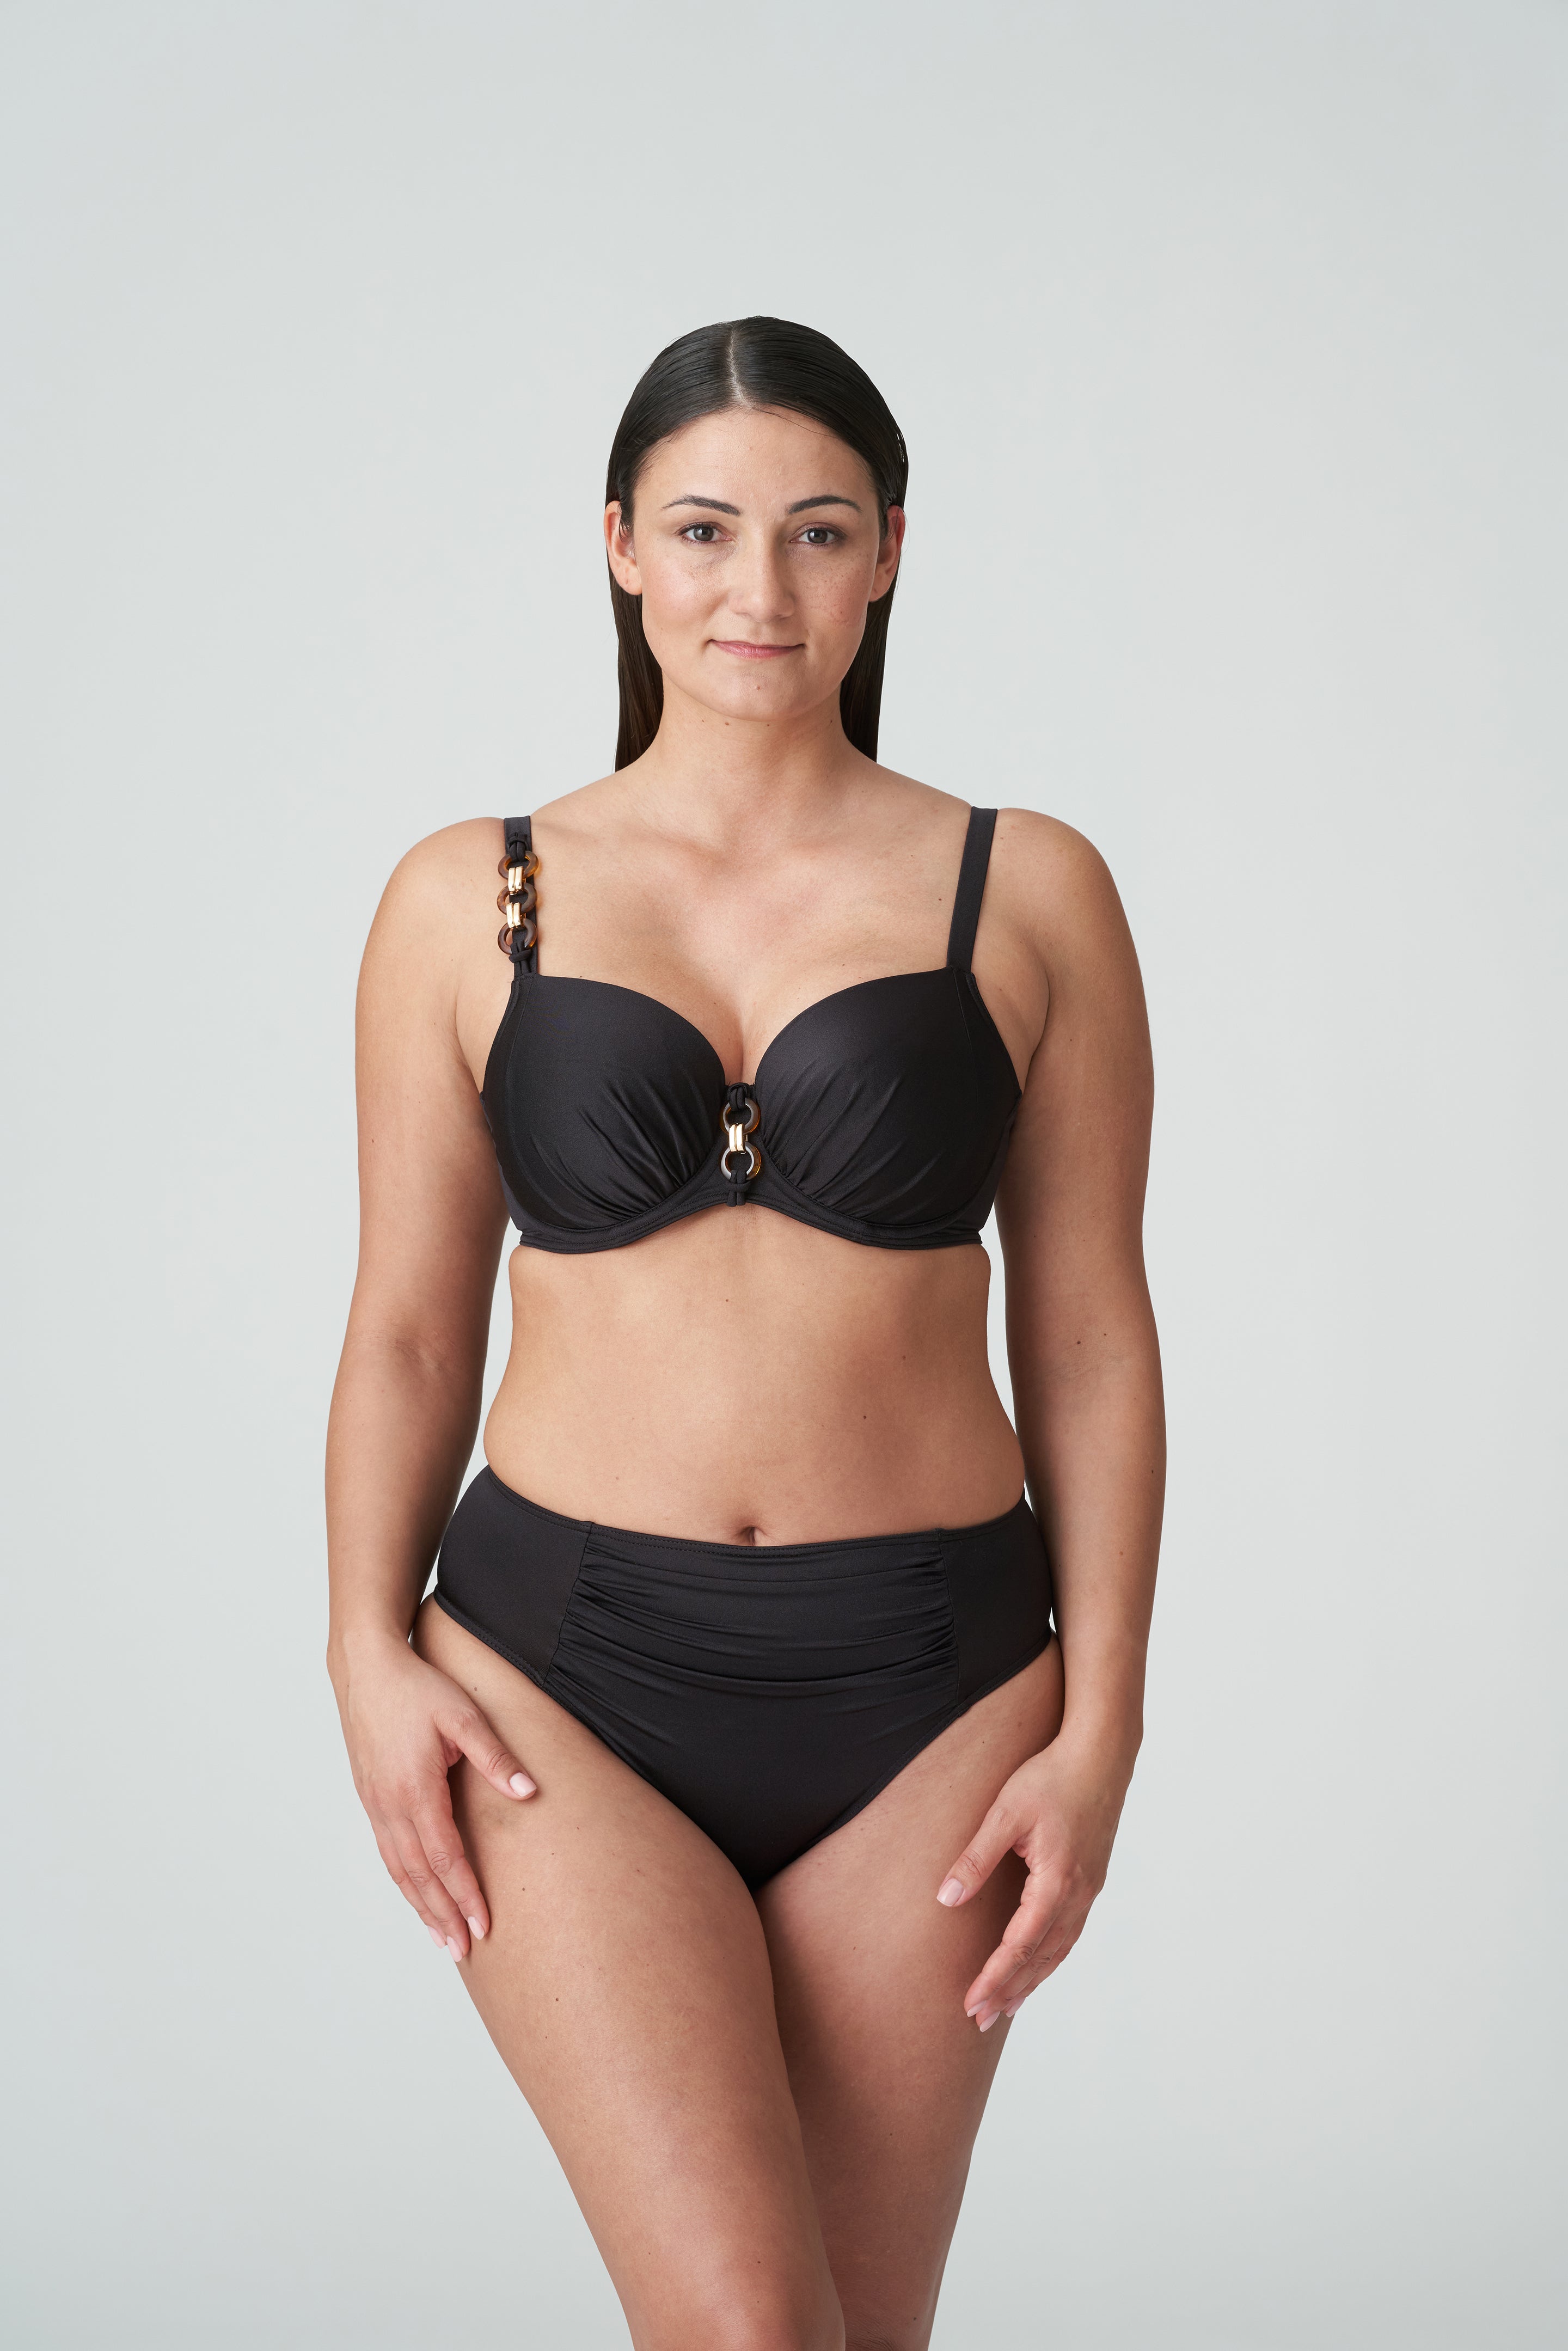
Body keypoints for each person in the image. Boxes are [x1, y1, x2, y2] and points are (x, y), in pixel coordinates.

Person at [326, 316, 1163, 2351]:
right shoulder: (468, 898)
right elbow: (412, 1330)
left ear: (890, 554)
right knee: (747, 2327)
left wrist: (1106, 1724)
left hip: (940, 1688)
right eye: (703, 530)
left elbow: (1091, 1337)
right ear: (621, 546)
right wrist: (360, 1648)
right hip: (558, 1684)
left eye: (817, 530)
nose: (757, 587)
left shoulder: (1027, 889)